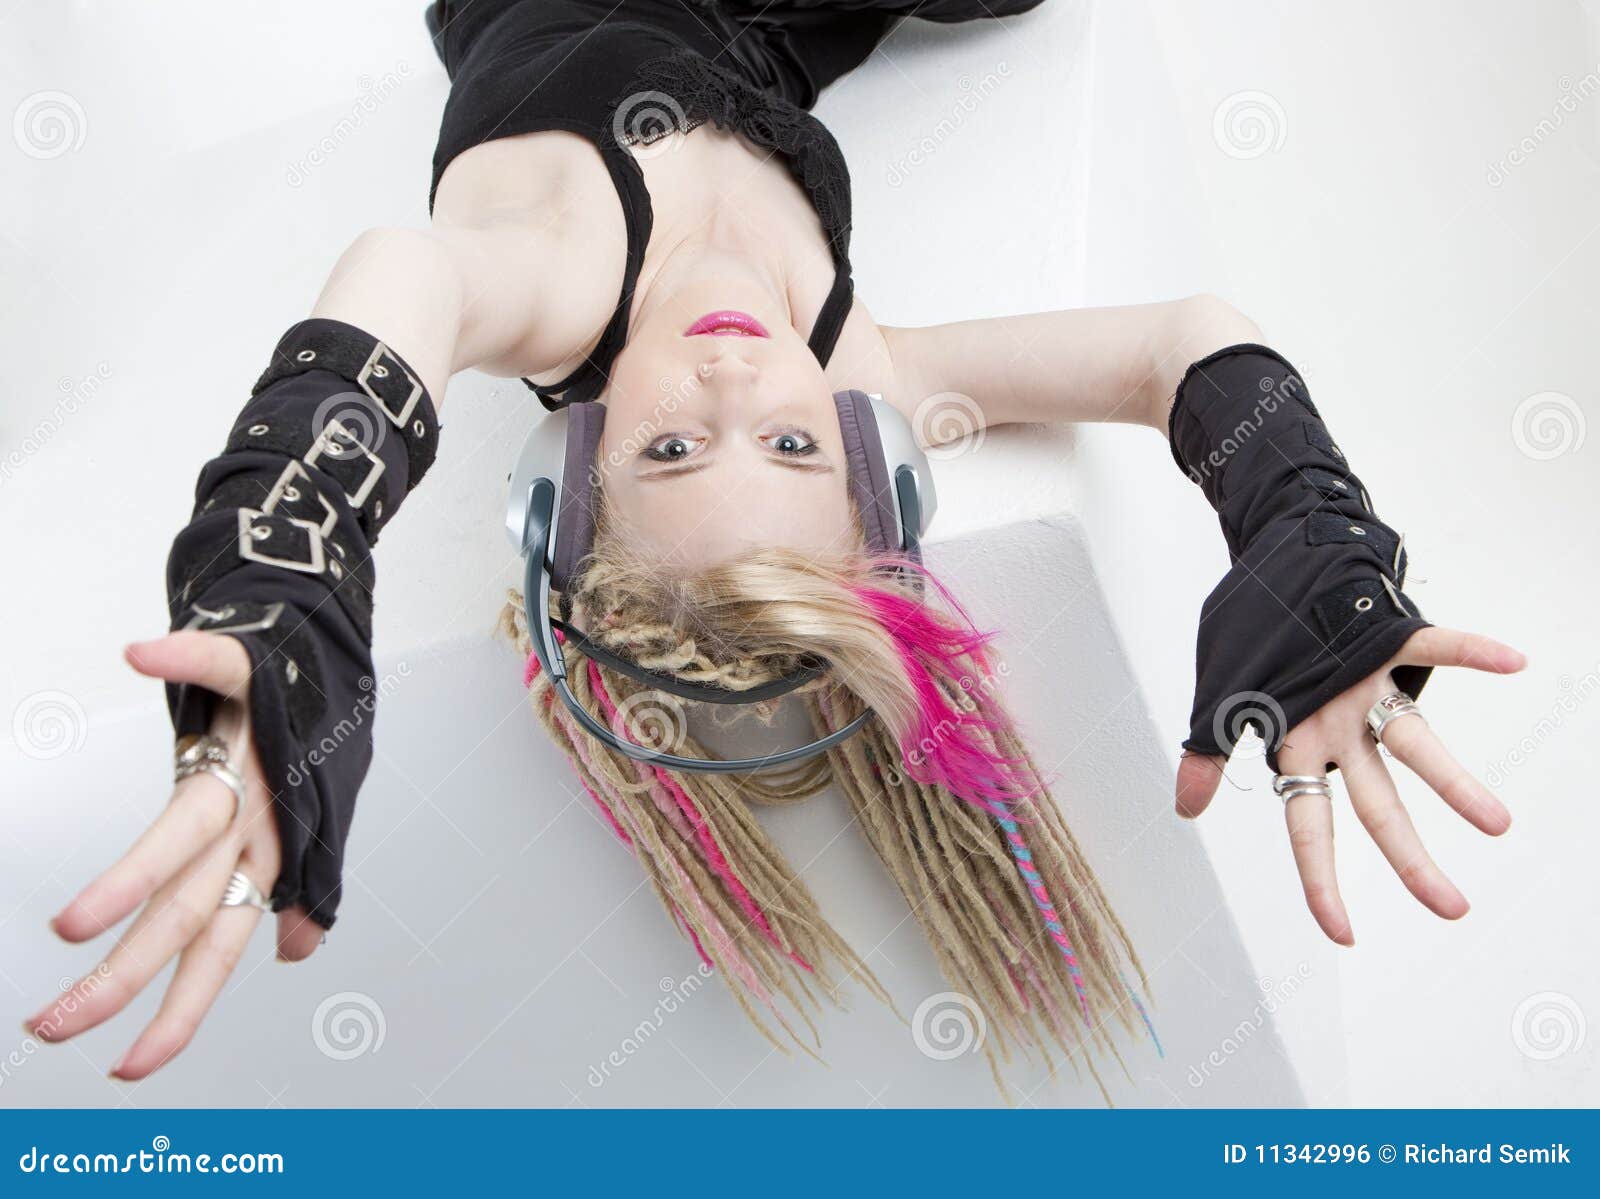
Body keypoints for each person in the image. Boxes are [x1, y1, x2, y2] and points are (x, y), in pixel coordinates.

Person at [25, 0, 1523, 1090]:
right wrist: (1300, 527)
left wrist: (292, 561)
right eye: (795, 448)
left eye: (671, 447)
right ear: (867, 460)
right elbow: (1180, 350)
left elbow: (406, 278)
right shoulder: (854, 367)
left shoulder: (555, 274)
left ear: (582, 468)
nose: (742, 389)